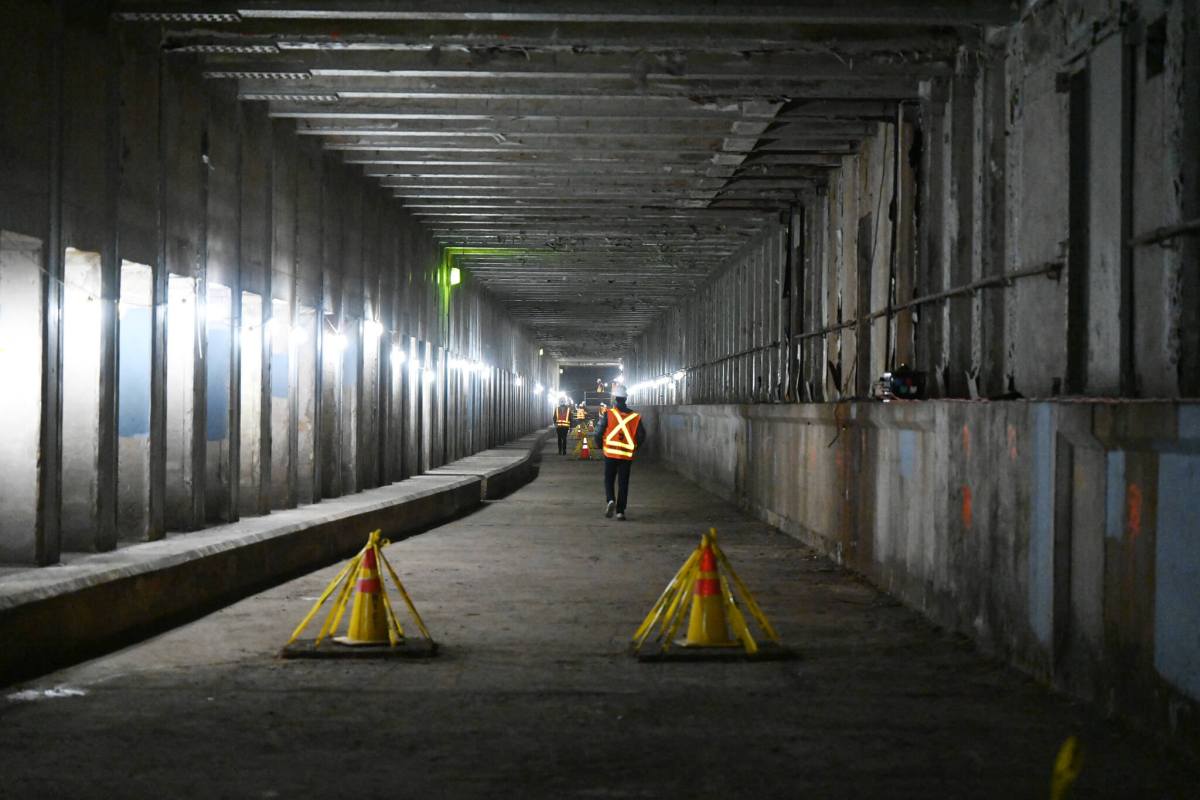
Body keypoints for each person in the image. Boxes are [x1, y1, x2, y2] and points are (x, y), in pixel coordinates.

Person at [593, 384, 647, 521]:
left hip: (610, 454)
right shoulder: (635, 417)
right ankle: (620, 511)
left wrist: (601, 446)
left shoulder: (608, 414)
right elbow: (641, 436)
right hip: (626, 456)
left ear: (614, 399)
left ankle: (611, 500)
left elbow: (598, 433)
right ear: (625, 398)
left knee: (609, 479)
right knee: (623, 482)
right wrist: (634, 448)